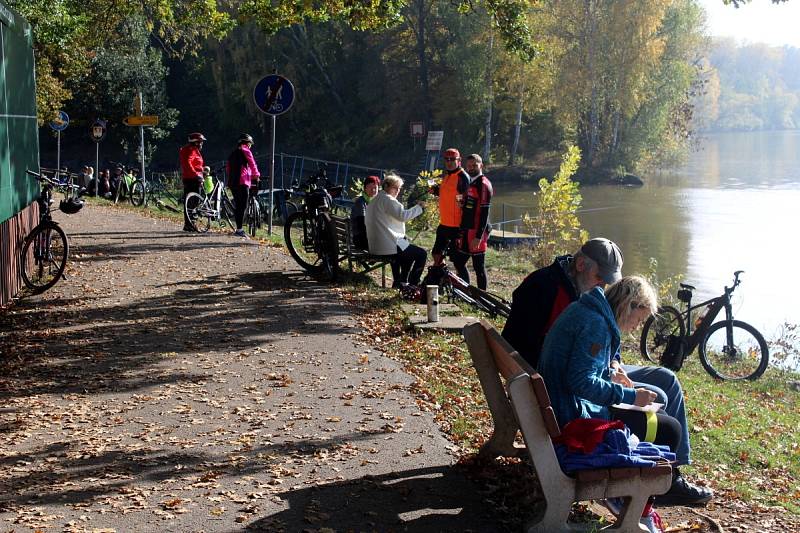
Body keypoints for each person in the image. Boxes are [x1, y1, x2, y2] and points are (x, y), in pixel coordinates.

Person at [503, 238, 712, 505]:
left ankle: (661, 484)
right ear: (629, 306)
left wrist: (611, 370)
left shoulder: (589, 307)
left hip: (554, 401)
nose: (637, 327)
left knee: (663, 404)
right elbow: (579, 379)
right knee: (668, 429)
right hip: (570, 415)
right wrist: (628, 396)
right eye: (638, 319)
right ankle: (647, 492)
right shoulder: (589, 318)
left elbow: (581, 365)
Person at [365, 173, 427, 286]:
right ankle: (413, 285)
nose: (398, 191)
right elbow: (403, 216)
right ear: (387, 186)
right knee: (421, 254)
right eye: (396, 188)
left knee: (406, 246)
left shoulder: (375, 199)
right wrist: (419, 208)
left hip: (377, 245)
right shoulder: (388, 199)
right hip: (388, 246)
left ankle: (401, 282)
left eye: (399, 188)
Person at [451, 154, 493, 289]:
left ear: (481, 165)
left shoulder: (484, 184)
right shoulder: (468, 180)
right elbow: (466, 201)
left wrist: (478, 237)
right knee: (458, 262)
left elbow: (485, 212)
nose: (471, 168)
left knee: (478, 266)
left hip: (477, 231)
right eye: (469, 166)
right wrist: (461, 203)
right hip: (466, 229)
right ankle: (466, 291)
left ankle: (483, 298)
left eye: (474, 165)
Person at [431, 148, 470, 266]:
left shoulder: (463, 177)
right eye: (446, 159)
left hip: (457, 226)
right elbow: (448, 194)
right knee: (436, 254)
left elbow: (467, 200)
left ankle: (462, 284)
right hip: (444, 223)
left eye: (452, 159)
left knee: (457, 262)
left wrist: (465, 226)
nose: (449, 162)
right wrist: (436, 190)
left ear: (459, 160)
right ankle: (441, 278)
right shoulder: (447, 175)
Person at [226, 133, 260, 238]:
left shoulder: (233, 153)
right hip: (242, 182)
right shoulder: (246, 150)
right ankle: (239, 230)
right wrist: (256, 176)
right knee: (243, 205)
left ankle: (239, 228)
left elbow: (228, 168)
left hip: (232, 182)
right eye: (250, 144)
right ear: (247, 143)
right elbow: (252, 163)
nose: (250, 146)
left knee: (238, 205)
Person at [179, 132, 207, 232]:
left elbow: (192, 164)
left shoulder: (187, 149)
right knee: (195, 202)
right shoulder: (191, 150)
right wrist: (196, 175)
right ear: (196, 142)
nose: (202, 144)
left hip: (187, 178)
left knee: (189, 203)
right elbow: (188, 163)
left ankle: (188, 224)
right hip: (193, 179)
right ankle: (192, 223)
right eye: (201, 142)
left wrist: (202, 170)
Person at [350, 175, 380, 250]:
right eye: (370, 187)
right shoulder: (360, 202)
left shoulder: (374, 203)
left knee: (398, 241)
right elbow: (362, 224)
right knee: (394, 245)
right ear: (365, 188)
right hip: (361, 240)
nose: (373, 190)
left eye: (375, 188)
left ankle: (406, 248)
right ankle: (405, 250)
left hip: (367, 238)